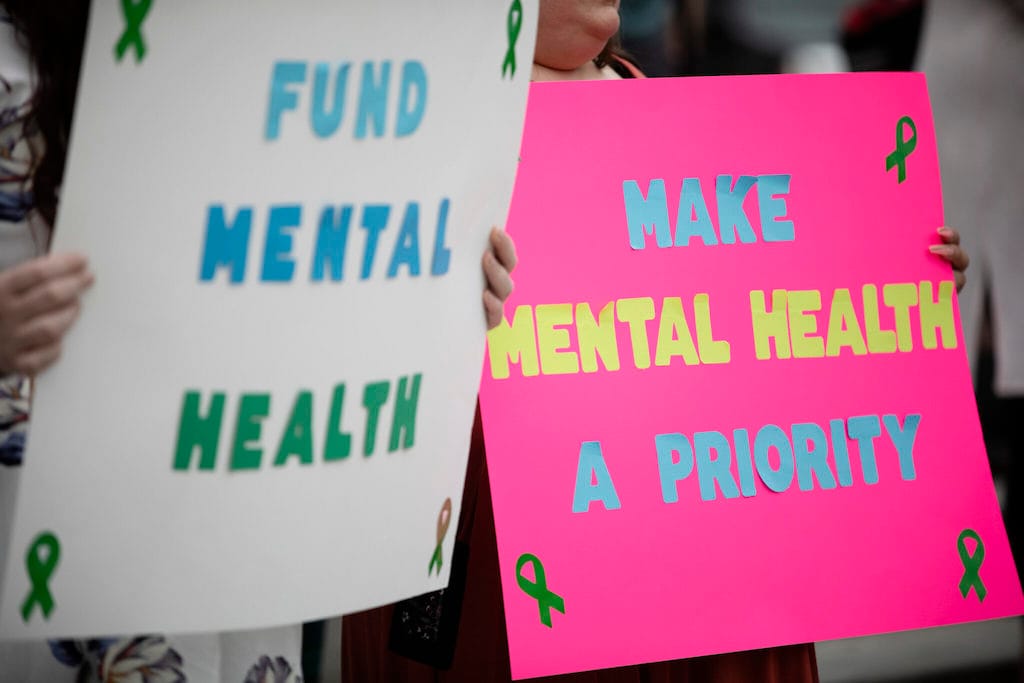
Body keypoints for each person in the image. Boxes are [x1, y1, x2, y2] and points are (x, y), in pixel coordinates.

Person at [341, 1, 971, 681]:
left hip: (712, 597)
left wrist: (900, 275)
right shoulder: (402, 132)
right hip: (502, 586)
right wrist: (430, 306)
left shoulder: (663, 108)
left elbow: (776, 325)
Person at [0, 2, 518, 680]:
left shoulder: (245, 40)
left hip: (228, 551)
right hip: (41, 545)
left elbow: (323, 250)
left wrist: (446, 291)